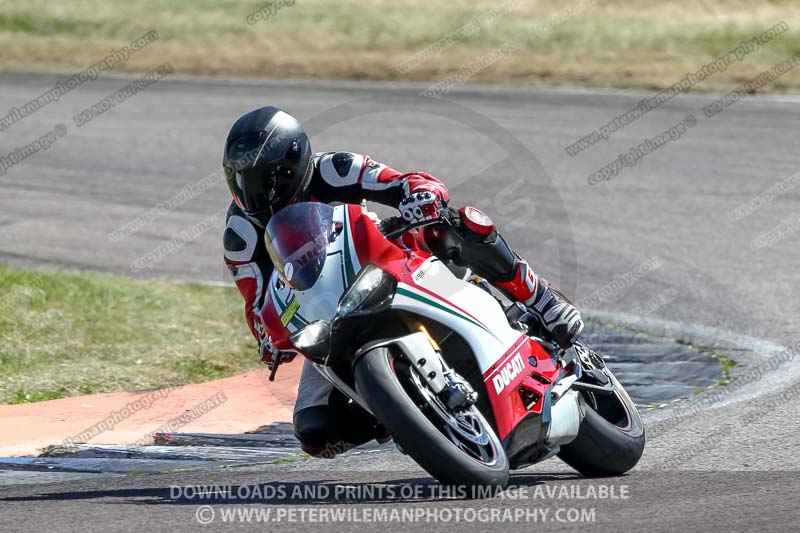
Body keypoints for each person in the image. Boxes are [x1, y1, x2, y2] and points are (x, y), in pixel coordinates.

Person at [222, 106, 584, 457]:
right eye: (241, 181)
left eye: (267, 180)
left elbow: (403, 181)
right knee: (315, 430)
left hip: (388, 260)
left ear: (294, 163)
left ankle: (543, 300)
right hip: (327, 315)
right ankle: (404, 414)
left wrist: (421, 195)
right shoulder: (240, 235)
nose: (257, 194)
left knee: (454, 225)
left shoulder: (334, 169)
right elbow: (257, 305)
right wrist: (268, 339)